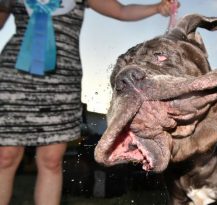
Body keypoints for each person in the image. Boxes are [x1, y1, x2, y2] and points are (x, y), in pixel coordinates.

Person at [0, 0, 178, 204]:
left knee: (51, 160)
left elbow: (121, 10)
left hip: (62, 79)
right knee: (4, 156)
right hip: (14, 77)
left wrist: (156, 8)